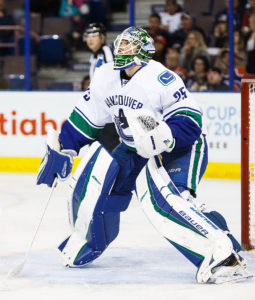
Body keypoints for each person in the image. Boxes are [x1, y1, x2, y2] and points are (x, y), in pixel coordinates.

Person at [37, 26, 251, 284]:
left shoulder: (160, 77)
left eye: (129, 44)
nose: (121, 48)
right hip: (134, 147)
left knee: (168, 201)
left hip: (180, 147)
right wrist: (64, 148)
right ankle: (86, 240)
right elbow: (85, 120)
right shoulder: (105, 76)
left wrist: (166, 135)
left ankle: (223, 255)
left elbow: (191, 120)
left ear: (144, 50)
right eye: (121, 43)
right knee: (99, 187)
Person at [83, 22, 119, 151]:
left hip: (107, 111)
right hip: (100, 110)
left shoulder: (106, 52)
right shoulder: (95, 55)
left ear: (103, 37)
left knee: (106, 148)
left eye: (95, 35)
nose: (90, 39)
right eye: (88, 35)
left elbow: (113, 76)